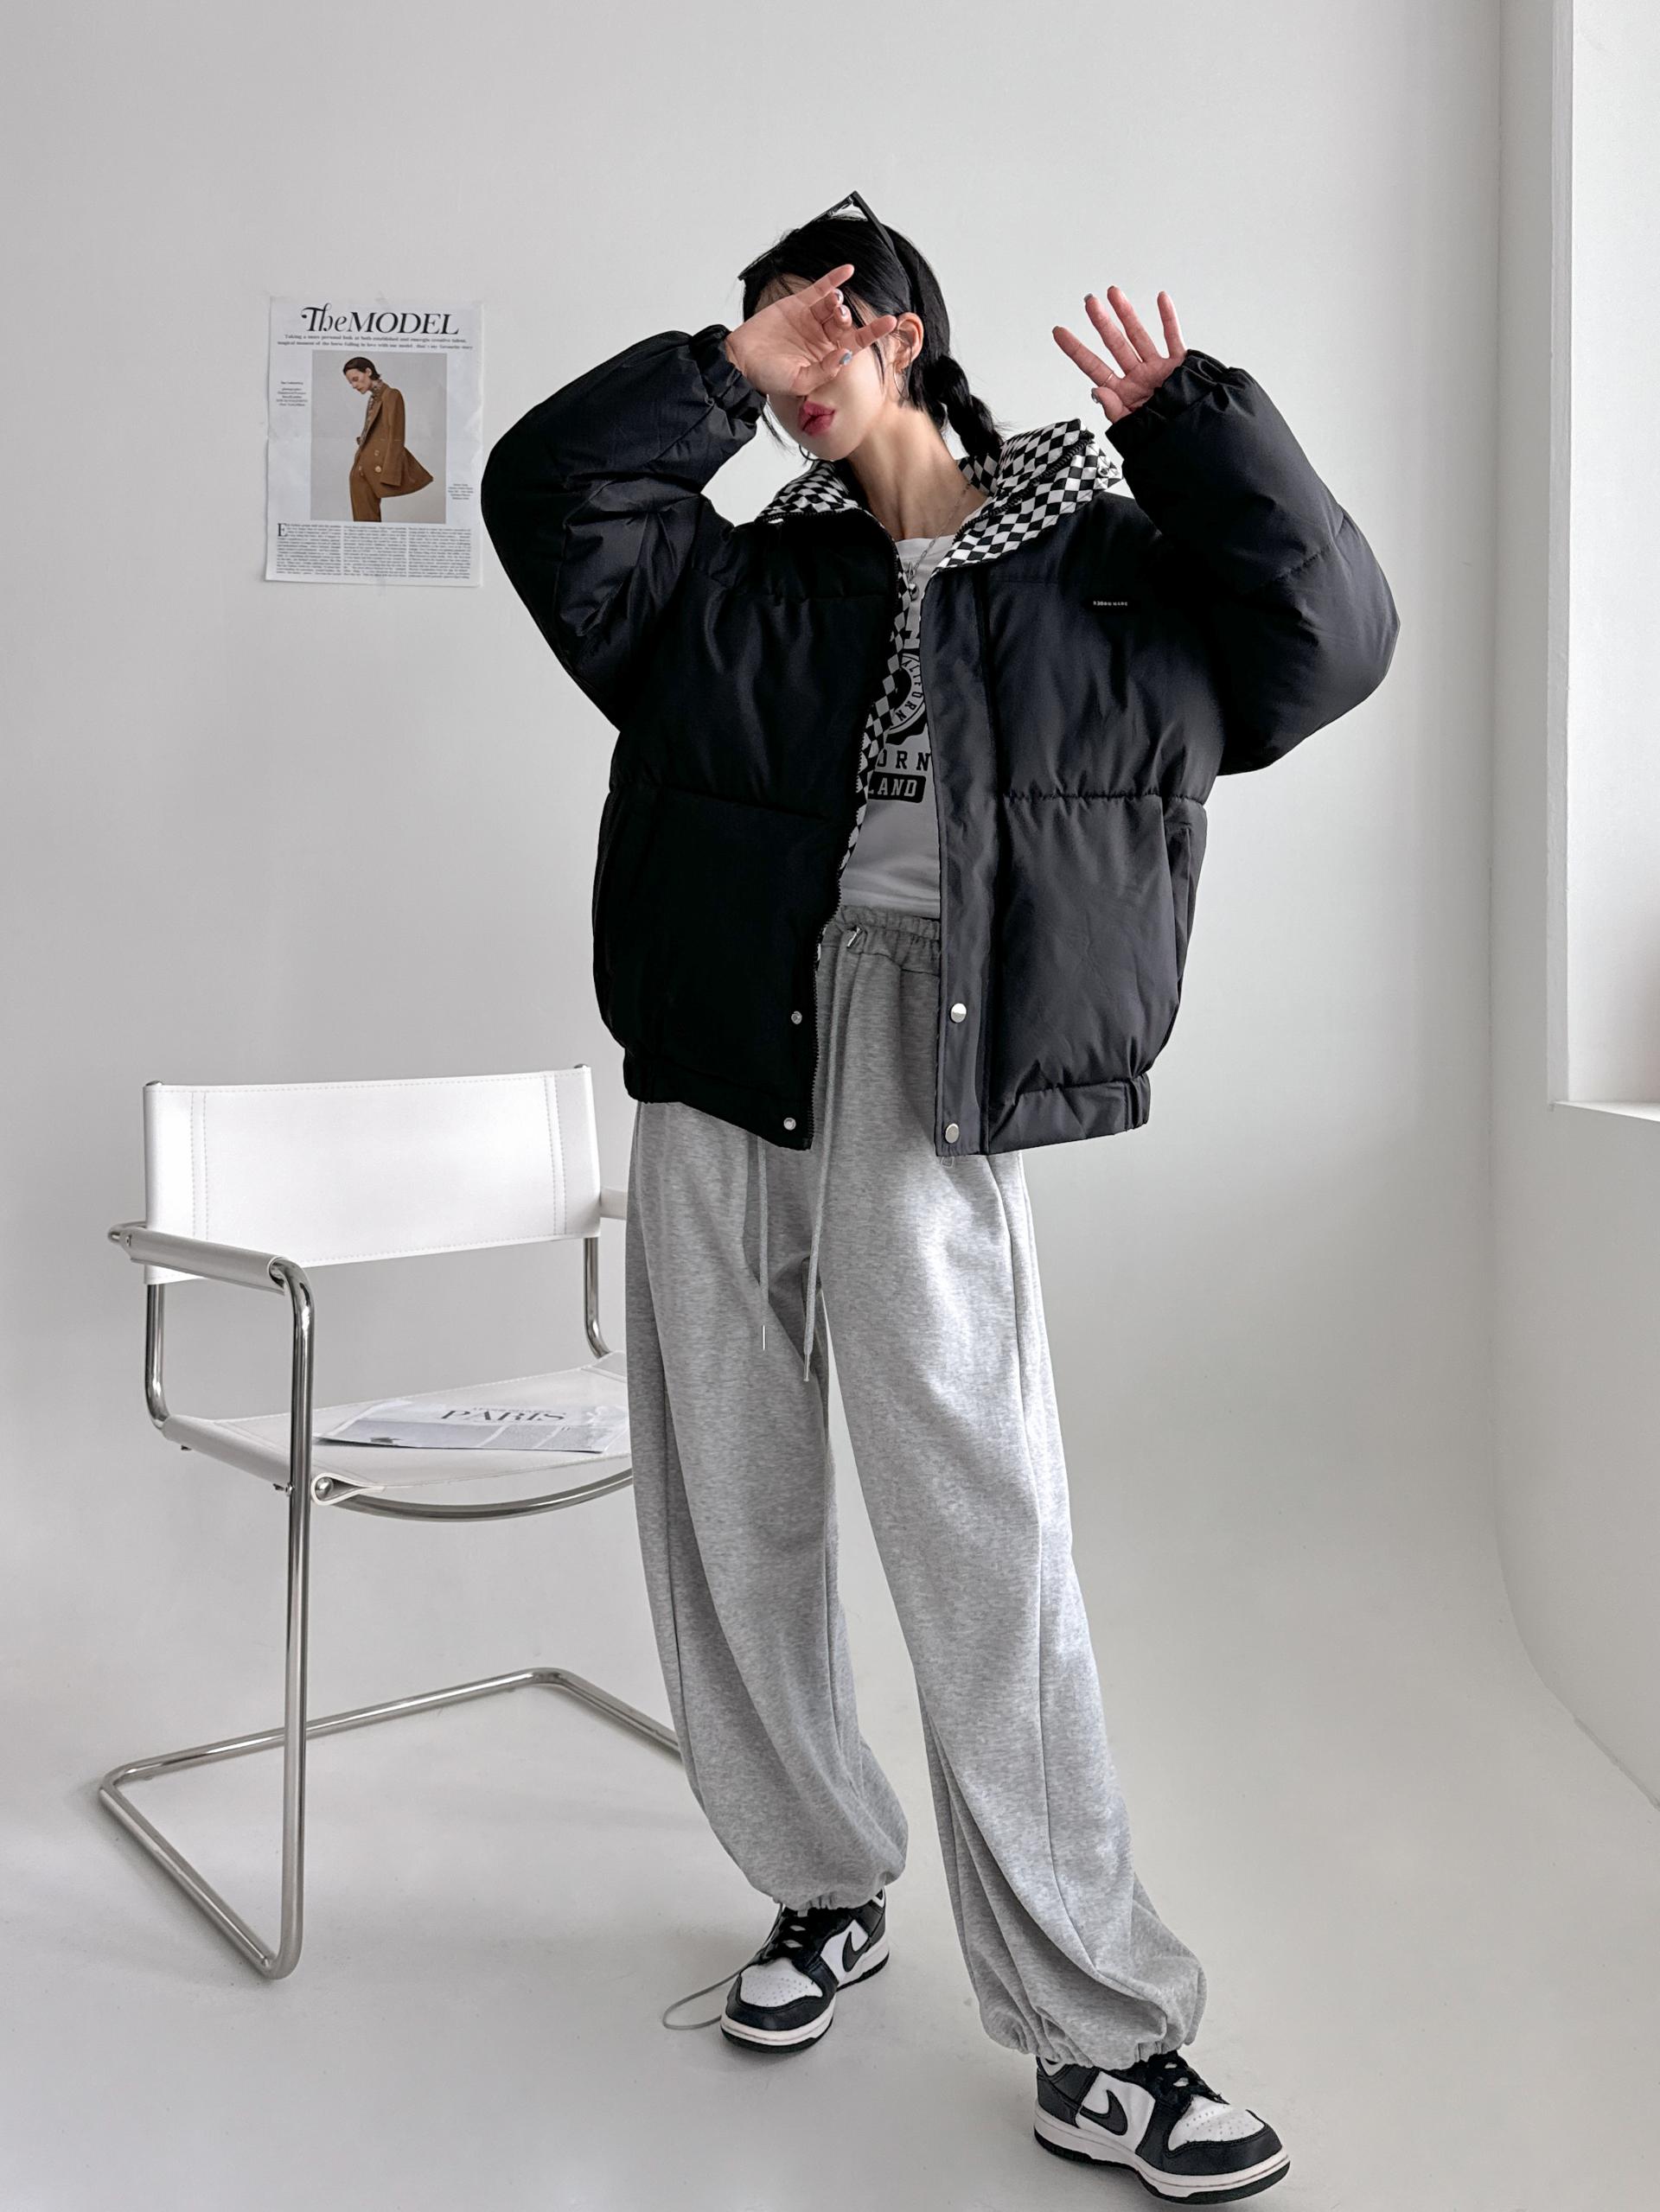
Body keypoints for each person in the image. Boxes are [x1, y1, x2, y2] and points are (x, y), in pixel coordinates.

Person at [480, 191, 1399, 2203]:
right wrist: (714, 378)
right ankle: (821, 1878)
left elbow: (1331, 645)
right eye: (762, 335)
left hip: (929, 1038)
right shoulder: (724, 577)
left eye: (818, 323)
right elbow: (541, 493)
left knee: (983, 1527)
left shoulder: (1107, 567)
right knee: (732, 1504)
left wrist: (1200, 430)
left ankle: (1100, 2027)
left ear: (898, 331)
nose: (788, 363)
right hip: (722, 1032)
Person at [342, 356, 433, 520]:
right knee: (362, 523)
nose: (354, 386)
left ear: (368, 371)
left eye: (355, 379)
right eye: (351, 383)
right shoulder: (373, 399)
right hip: (361, 468)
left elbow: (397, 437)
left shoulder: (391, 395)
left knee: (367, 523)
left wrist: (390, 475)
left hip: (374, 469)